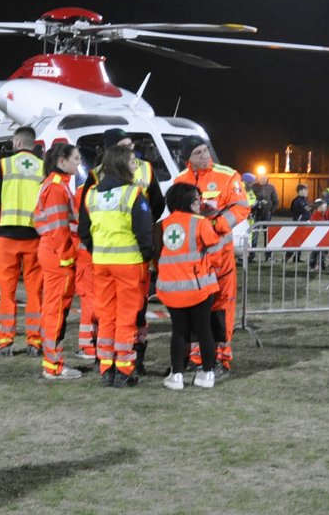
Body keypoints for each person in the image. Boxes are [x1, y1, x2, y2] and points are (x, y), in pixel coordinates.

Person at [79, 142, 154, 387]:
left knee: (105, 315)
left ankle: (105, 368)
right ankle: (124, 370)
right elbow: (144, 231)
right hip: (129, 264)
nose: (136, 166)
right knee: (126, 317)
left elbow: (83, 230)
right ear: (123, 165)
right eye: (133, 162)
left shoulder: (91, 194)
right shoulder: (133, 194)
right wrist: (146, 255)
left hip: (101, 263)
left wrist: (96, 249)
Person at [171, 137, 249, 373]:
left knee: (222, 307)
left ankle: (222, 359)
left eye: (205, 151)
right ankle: (197, 358)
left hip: (220, 255)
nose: (205, 156)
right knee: (196, 307)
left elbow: (241, 207)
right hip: (194, 258)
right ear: (188, 160)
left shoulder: (228, 176)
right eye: (198, 153)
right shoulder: (180, 180)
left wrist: (216, 227)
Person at [0, 125, 45, 356]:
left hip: (7, 238)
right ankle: (35, 342)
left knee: (6, 292)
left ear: (17, 143)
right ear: (33, 143)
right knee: (35, 293)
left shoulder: (3, 165)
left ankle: (6, 341)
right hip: (35, 238)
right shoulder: (43, 168)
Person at [157, 182, 222, 391]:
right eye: (196, 199)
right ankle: (207, 373)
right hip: (199, 287)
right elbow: (216, 251)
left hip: (171, 290)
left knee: (178, 332)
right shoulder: (200, 223)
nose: (200, 202)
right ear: (188, 201)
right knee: (204, 330)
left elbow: (157, 255)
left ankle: (176, 375)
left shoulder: (162, 225)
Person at [34, 141, 83, 380]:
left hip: (54, 253)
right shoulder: (56, 188)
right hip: (57, 255)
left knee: (54, 310)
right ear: (61, 162)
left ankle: (53, 362)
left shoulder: (56, 185)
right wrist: (66, 257)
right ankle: (53, 365)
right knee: (55, 311)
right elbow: (58, 229)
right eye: (75, 159)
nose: (79, 163)